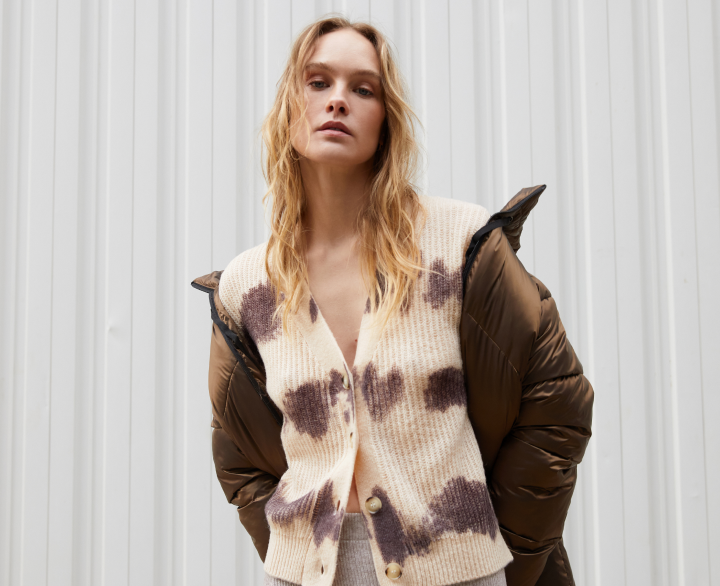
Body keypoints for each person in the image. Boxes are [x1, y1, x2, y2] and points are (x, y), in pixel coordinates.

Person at [191, 16, 593, 586]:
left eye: (363, 89)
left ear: (386, 120)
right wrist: (295, 553)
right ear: (289, 106)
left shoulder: (461, 243)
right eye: (318, 82)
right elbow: (239, 457)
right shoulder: (246, 285)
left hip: (457, 571)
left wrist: (497, 552)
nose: (337, 100)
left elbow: (557, 404)